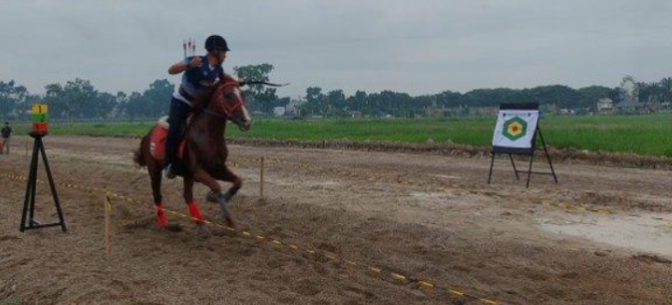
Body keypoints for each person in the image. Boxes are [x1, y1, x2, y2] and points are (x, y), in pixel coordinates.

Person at [164, 35, 230, 179]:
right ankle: (169, 164)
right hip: (180, 103)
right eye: (224, 52)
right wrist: (188, 65)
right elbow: (171, 70)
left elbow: (226, 79)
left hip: (198, 106)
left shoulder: (218, 69)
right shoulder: (196, 60)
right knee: (175, 130)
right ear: (215, 51)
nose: (225, 55)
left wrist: (238, 81)